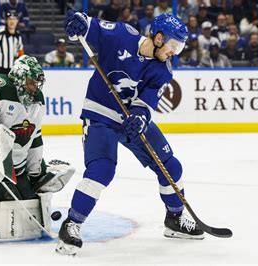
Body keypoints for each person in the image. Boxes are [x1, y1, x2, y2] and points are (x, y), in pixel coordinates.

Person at [57, 11, 204, 255]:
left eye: (179, 49)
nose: (174, 53)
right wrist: (78, 22)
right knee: (102, 169)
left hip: (130, 121)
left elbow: (145, 102)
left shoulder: (163, 70)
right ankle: (72, 224)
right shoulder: (121, 35)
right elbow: (88, 26)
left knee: (171, 166)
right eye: (173, 46)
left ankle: (174, 220)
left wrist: (139, 117)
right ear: (158, 38)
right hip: (100, 115)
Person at [0, 55, 73, 203]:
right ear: (20, 78)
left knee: (30, 199)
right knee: (6, 198)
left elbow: (33, 136)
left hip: (15, 172)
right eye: (31, 82)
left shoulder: (37, 100)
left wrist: (37, 172)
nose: (35, 88)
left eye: (37, 83)